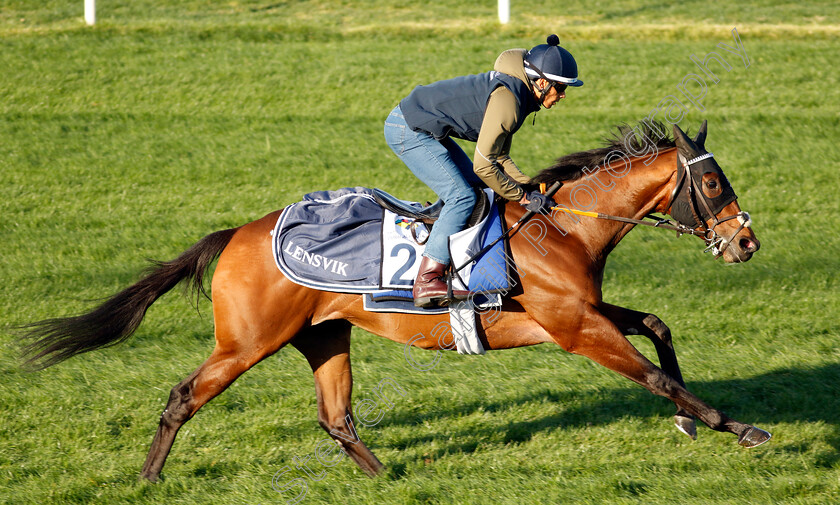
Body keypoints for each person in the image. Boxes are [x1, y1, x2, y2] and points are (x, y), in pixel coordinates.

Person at [384, 35, 583, 308]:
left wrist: (531, 186)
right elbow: (485, 164)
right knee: (462, 197)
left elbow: (500, 156)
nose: (562, 96)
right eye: (559, 88)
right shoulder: (509, 101)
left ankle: (450, 246)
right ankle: (427, 280)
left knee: (479, 189)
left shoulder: (520, 96)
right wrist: (523, 199)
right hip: (407, 129)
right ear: (541, 82)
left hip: (426, 127)